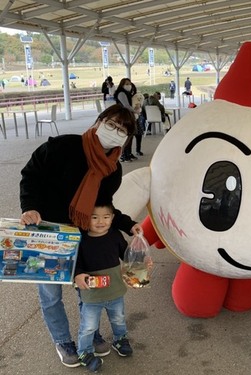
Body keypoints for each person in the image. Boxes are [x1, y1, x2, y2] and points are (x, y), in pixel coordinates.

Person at [19, 104, 142, 368]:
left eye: (123, 130)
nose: (115, 132)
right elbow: (31, 175)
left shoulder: (113, 169)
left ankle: (90, 330)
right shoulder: (61, 147)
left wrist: (128, 224)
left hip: (83, 235)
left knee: (86, 286)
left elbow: (104, 207)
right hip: (49, 233)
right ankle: (62, 339)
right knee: (51, 294)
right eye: (111, 124)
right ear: (98, 122)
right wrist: (29, 206)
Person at [74, 202, 133, 372]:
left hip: (115, 291)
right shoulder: (82, 240)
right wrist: (78, 274)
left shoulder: (115, 236)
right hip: (92, 296)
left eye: (106, 217)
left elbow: (128, 256)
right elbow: (76, 264)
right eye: (94, 217)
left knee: (119, 319)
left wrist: (140, 261)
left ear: (112, 218)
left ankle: (120, 340)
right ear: (86, 219)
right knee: (89, 326)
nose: (101, 221)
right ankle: (84, 352)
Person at [114, 78, 138, 162]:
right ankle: (123, 155)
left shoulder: (128, 93)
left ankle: (129, 153)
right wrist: (135, 111)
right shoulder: (121, 93)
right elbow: (126, 105)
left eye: (129, 84)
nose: (129, 85)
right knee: (125, 136)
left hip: (128, 116)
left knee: (130, 135)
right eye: (127, 84)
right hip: (123, 117)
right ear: (122, 84)